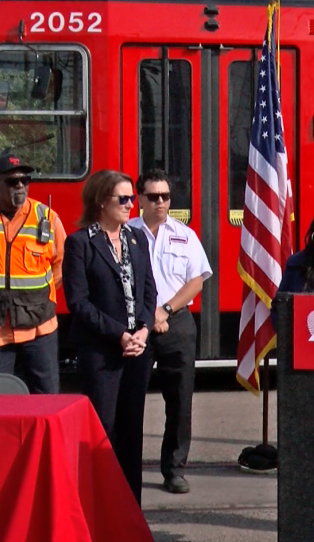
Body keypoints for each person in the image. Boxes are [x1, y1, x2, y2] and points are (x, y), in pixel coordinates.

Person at [62, 170, 157, 505]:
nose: (132, 204)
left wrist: (143, 329)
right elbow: (78, 302)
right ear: (102, 201)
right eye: (124, 199)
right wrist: (119, 334)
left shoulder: (137, 238)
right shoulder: (80, 243)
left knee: (132, 432)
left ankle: (131, 508)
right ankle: (99, 505)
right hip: (102, 352)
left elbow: (150, 292)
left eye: (132, 198)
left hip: (138, 350)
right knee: (104, 430)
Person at [128, 169, 212, 495]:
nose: (160, 202)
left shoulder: (184, 235)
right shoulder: (127, 233)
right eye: (153, 196)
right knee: (130, 401)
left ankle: (174, 469)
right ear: (140, 199)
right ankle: (125, 468)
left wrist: (165, 310)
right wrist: (148, 317)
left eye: (165, 196)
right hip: (136, 324)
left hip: (175, 323)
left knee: (179, 402)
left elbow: (196, 281)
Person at [0, 153, 66, 393]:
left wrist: (39, 301)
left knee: (46, 397)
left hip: (40, 328)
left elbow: (60, 265)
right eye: (12, 181)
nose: (20, 185)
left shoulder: (47, 218)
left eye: (25, 180)